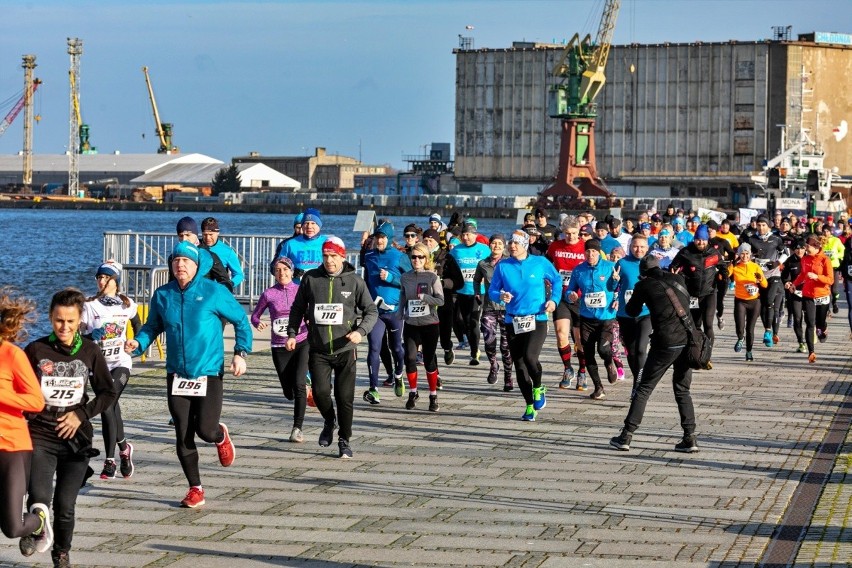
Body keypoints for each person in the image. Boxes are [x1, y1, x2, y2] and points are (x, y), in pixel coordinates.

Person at [126, 241, 253, 508]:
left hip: (208, 371)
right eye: (176, 261)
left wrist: (240, 353)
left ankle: (220, 435)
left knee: (204, 430)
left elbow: (241, 320)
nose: (180, 265)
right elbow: (152, 326)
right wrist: (138, 343)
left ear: (197, 266)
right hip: (177, 374)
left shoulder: (213, 292)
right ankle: (195, 488)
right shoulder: (163, 295)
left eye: (186, 261)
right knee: (183, 433)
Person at [24, 288, 117, 567]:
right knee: (39, 498)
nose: (64, 327)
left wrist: (81, 415)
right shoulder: (36, 350)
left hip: (75, 438)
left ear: (80, 322)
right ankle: (35, 529)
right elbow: (19, 389)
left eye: (70, 321)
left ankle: (61, 553)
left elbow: (107, 393)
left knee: (65, 508)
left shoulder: (90, 350)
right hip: (40, 433)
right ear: (51, 318)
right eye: (58, 320)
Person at [285, 236, 378, 459]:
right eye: (325, 256)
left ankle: (344, 440)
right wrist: (291, 333)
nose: (329, 261)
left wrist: (360, 331)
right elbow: (297, 308)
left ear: (342, 257)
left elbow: (371, 311)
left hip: (345, 349)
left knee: (345, 398)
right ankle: (329, 420)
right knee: (321, 394)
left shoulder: (355, 281)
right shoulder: (311, 279)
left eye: (333, 256)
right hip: (318, 349)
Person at [609, 255, 699, 453]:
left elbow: (632, 311)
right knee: (682, 390)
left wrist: (643, 293)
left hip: (665, 343)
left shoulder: (644, 285)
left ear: (642, 272)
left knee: (644, 388)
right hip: (687, 340)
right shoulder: (678, 279)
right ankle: (689, 438)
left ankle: (626, 436)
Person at [0, 289, 52, 557]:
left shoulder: (12, 355)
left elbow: (35, 401)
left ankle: (39, 521)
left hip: (11, 446)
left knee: (11, 526)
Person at [488, 230, 561, 421]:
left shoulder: (540, 262)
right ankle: (529, 405)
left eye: (517, 243)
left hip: (537, 318)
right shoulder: (503, 266)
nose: (512, 246)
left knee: (530, 357)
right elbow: (492, 290)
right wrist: (500, 296)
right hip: (513, 320)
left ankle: (538, 387)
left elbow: (557, 280)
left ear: (526, 245)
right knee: (519, 366)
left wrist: (553, 300)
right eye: (511, 242)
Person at [80, 261, 141, 480]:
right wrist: (89, 337)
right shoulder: (89, 306)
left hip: (121, 364)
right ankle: (124, 448)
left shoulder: (127, 304)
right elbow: (76, 338)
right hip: (98, 366)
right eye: (98, 277)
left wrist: (136, 342)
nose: (101, 281)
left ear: (115, 281)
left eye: (105, 277)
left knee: (106, 406)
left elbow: (138, 326)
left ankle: (110, 461)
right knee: (111, 407)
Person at [250, 256, 309, 443]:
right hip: (279, 345)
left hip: (301, 341)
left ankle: (297, 428)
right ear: (274, 273)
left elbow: (311, 311)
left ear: (292, 272)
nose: (282, 273)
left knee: (299, 384)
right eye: (278, 270)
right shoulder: (269, 294)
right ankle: (297, 390)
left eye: (285, 269)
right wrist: (258, 323)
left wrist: (310, 322)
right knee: (288, 391)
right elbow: (255, 316)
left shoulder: (301, 291)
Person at [565, 238, 621, 400]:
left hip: (606, 317)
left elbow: (617, 287)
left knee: (603, 350)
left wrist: (617, 295)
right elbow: (569, 291)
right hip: (587, 318)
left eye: (594, 251)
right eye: (588, 251)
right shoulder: (578, 270)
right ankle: (598, 387)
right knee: (587, 354)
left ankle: (609, 363)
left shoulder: (610, 267)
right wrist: (571, 295)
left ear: (599, 252)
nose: (590, 254)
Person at [362, 222, 411, 404]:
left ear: (389, 239)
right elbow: (366, 281)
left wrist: (391, 278)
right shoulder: (369, 256)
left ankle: (398, 375)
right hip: (375, 311)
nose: (379, 240)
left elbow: (410, 280)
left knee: (396, 348)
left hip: (395, 312)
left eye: (382, 237)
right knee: (374, 347)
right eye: (377, 237)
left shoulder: (400, 257)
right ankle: (373, 389)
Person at [669, 224, 724, 368]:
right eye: (698, 240)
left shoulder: (714, 253)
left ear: (708, 240)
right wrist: (677, 275)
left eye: (703, 240)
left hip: (709, 293)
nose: (701, 243)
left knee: (708, 324)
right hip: (692, 295)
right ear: (694, 239)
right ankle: (694, 353)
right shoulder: (686, 252)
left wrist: (724, 277)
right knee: (694, 326)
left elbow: (724, 267)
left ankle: (706, 356)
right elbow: (673, 267)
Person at [399, 243, 444, 411]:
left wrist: (426, 297)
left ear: (426, 259)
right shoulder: (405, 277)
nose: (416, 260)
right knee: (409, 358)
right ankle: (413, 392)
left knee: (429, 361)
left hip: (430, 324)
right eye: (414, 257)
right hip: (411, 323)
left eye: (420, 257)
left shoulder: (433, 277)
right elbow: (403, 296)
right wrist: (399, 313)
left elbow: (441, 300)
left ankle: (433, 395)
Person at [546, 216, 587, 389]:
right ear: (563, 232)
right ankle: (568, 368)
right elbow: (547, 265)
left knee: (579, 339)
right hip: (561, 297)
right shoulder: (555, 246)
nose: (570, 237)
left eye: (574, 233)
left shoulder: (586, 247)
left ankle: (583, 372)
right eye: (567, 233)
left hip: (580, 299)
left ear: (579, 231)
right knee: (561, 333)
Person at [445, 222, 491, 365]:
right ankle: (474, 348)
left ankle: (474, 353)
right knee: (465, 322)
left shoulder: (484, 250)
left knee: (474, 321)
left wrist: (487, 278)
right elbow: (449, 270)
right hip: (462, 291)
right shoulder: (455, 251)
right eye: (463, 235)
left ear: (475, 235)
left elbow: (493, 266)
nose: (465, 237)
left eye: (468, 234)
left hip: (479, 292)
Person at [474, 234, 513, 389]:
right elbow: (476, 280)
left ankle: (508, 377)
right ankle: (493, 365)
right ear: (489, 245)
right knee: (489, 341)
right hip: (489, 307)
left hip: (507, 309)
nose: (496, 246)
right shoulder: (483, 263)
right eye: (493, 243)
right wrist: (477, 292)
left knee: (506, 345)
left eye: (499, 243)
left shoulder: (510, 263)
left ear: (504, 246)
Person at [788, 235, 834, 363]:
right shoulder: (805, 259)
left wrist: (816, 276)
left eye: (807, 247)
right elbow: (802, 274)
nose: (805, 249)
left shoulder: (825, 260)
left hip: (822, 295)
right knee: (810, 323)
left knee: (819, 323)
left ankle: (823, 328)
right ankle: (811, 352)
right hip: (808, 294)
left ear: (815, 247)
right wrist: (794, 284)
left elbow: (830, 280)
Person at [614, 235, 651, 388]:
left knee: (641, 349)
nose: (639, 249)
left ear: (647, 248)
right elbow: (611, 287)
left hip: (645, 313)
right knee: (631, 351)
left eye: (642, 246)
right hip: (625, 314)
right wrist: (614, 280)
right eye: (635, 246)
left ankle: (638, 385)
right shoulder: (622, 263)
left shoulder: (651, 263)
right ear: (630, 247)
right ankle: (638, 378)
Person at [748, 215, 787, 348]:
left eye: (763, 225)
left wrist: (777, 263)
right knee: (763, 305)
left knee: (770, 301)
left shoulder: (775, 239)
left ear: (768, 226)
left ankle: (769, 332)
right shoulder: (752, 239)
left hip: (773, 275)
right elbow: (745, 254)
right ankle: (767, 330)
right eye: (759, 225)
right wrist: (752, 258)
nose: (761, 227)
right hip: (759, 277)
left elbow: (786, 253)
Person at [170, 217, 233, 291]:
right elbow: (172, 283)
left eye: (188, 235)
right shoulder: (173, 257)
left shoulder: (209, 256)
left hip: (204, 298)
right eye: (181, 235)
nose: (184, 239)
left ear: (196, 234)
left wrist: (213, 296)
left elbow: (225, 282)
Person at [730, 243, 768, 361]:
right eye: (742, 253)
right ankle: (740, 338)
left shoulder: (755, 266)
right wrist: (732, 264)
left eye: (747, 254)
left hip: (754, 301)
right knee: (740, 327)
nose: (745, 256)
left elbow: (765, 285)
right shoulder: (736, 267)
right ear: (739, 254)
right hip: (740, 301)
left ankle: (749, 352)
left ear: (750, 254)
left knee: (750, 328)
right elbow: (726, 275)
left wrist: (760, 279)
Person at [276, 207, 327, 282]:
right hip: (297, 288)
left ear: (319, 226)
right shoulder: (290, 244)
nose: (309, 226)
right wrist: (292, 271)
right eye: (306, 223)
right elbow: (279, 265)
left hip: (320, 286)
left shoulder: (327, 242)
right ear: (302, 226)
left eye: (313, 223)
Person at [200, 217, 245, 290]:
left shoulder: (227, 251)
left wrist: (229, 284)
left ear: (217, 233)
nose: (207, 238)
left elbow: (239, 275)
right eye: (205, 234)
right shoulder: (196, 247)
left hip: (218, 291)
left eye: (211, 234)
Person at [706, 220, 736, 330]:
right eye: (707, 230)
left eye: (712, 230)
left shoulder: (722, 242)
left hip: (721, 274)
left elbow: (733, 255)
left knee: (720, 299)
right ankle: (707, 320)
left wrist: (727, 260)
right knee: (708, 297)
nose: (709, 232)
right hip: (708, 275)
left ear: (716, 230)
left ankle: (720, 316)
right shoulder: (702, 242)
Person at [781, 239, 807, 352]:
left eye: (802, 248)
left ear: (805, 248)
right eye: (797, 248)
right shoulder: (790, 261)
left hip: (810, 293)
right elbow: (785, 276)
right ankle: (801, 342)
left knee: (810, 319)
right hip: (796, 293)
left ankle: (813, 331)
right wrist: (786, 282)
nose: (799, 251)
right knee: (797, 318)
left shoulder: (810, 258)